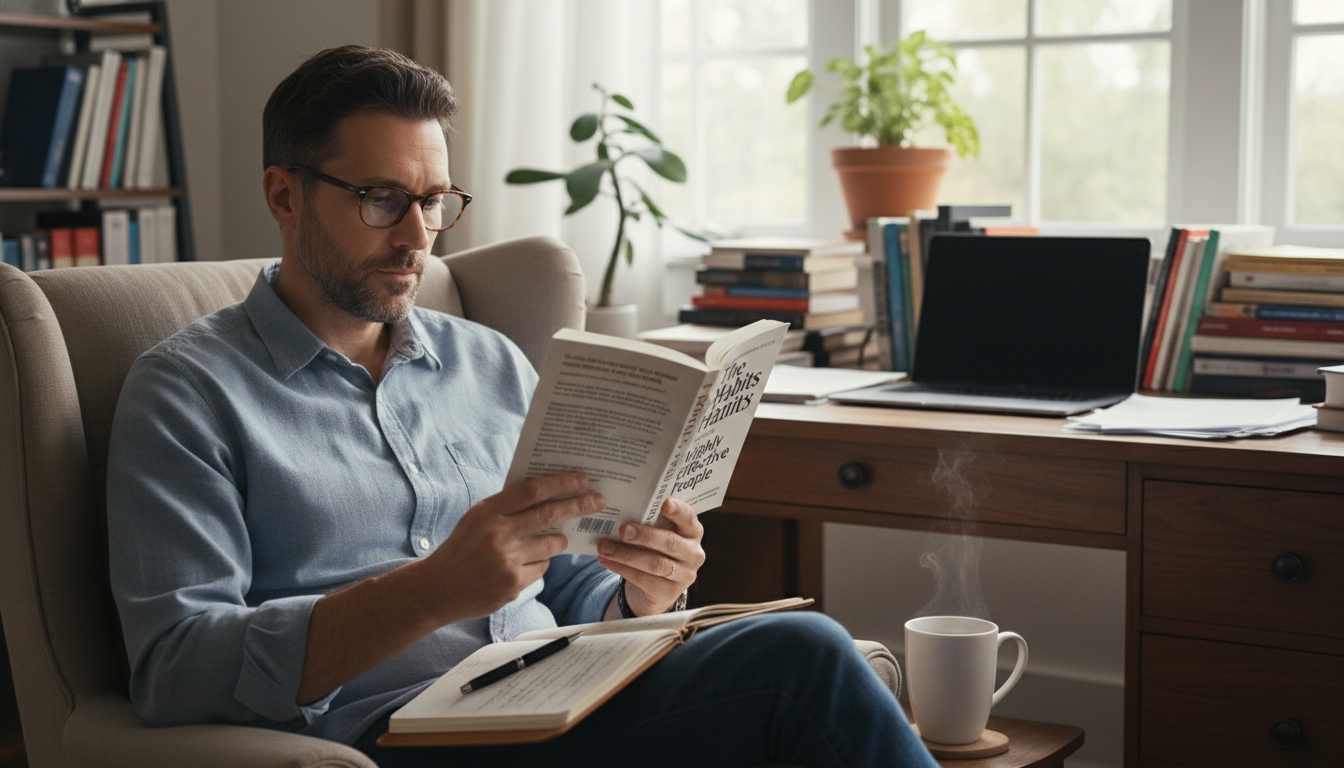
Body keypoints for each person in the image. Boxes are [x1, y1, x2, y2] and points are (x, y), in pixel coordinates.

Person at [106, 45, 936, 768]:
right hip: (397, 739)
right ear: (284, 196)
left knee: (799, 654)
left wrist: (639, 591)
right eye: (380, 199)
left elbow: (568, 585)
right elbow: (176, 669)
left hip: (561, 700)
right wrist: (430, 592)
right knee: (807, 656)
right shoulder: (188, 394)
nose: (417, 237)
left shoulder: (488, 362)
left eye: (433, 201)